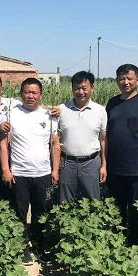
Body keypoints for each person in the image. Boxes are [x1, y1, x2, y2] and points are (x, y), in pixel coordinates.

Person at [0, 78, 60, 265]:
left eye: (34, 92)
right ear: (21, 94)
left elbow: (55, 144)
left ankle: (39, 246)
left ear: (40, 95)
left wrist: (55, 170)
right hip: (19, 174)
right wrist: (6, 169)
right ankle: (22, 248)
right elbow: (3, 144)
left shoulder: (49, 116)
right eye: (27, 92)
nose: (30, 96)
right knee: (20, 212)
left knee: (41, 212)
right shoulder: (11, 114)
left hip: (43, 173)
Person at [0, 73, 61, 199]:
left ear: (1, 88)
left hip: (13, 162)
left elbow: (31, 107)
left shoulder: (11, 103)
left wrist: (58, 111)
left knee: (10, 197)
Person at [105, 64, 138, 245]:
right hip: (114, 167)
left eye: (129, 78)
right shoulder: (112, 103)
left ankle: (135, 246)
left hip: (137, 168)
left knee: (136, 210)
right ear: (117, 81)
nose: (125, 82)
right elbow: (106, 134)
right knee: (116, 209)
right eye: (122, 78)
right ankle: (117, 244)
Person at [57, 70, 107, 203]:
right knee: (65, 202)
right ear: (72, 89)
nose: (80, 92)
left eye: (84, 88)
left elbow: (103, 140)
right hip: (67, 163)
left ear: (92, 88)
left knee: (93, 201)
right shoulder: (61, 109)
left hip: (91, 163)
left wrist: (104, 166)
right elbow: (54, 140)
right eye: (77, 88)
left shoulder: (100, 111)